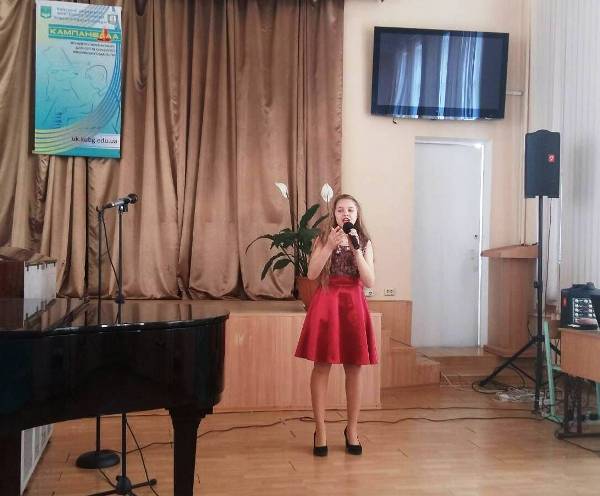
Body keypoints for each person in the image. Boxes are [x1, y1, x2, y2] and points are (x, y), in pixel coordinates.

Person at [294, 193, 377, 456]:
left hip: (353, 304)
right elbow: (312, 274)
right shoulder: (323, 238)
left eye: (350, 209)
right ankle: (320, 430)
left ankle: (352, 430)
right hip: (327, 301)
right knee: (322, 366)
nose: (345, 214)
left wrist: (356, 249)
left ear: (357, 214)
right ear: (334, 214)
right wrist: (329, 246)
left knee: (354, 368)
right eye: (340, 209)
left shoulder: (364, 241)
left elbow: (369, 281)